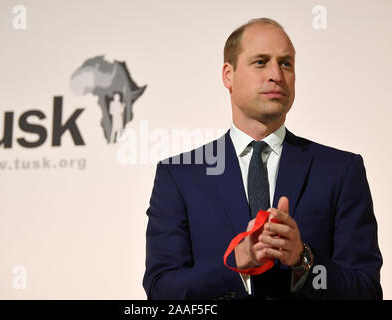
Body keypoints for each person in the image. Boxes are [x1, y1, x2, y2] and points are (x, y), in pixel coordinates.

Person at [143, 18, 382, 300]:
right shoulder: (180, 176)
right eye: (260, 62)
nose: (276, 75)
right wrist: (235, 265)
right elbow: (161, 291)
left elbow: (366, 290)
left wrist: (303, 262)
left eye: (286, 63)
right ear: (228, 75)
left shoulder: (340, 171)